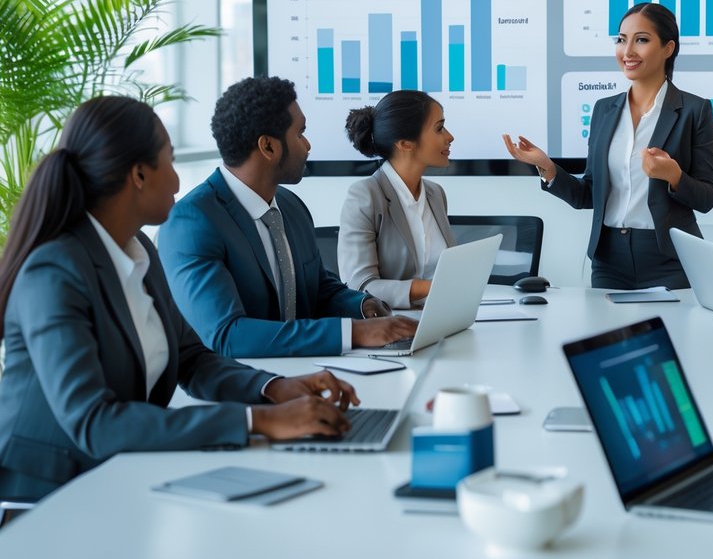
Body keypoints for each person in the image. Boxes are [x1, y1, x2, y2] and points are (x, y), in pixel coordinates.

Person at [0, 97, 364, 502]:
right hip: (45, 494)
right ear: (139, 174)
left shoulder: (138, 248)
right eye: (169, 162)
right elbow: (95, 422)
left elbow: (192, 358)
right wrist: (257, 421)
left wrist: (273, 388)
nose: (177, 182)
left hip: (121, 472)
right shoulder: (54, 273)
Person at [159, 77, 417, 357]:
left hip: (310, 373)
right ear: (268, 147)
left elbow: (318, 289)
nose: (308, 145)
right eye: (300, 133)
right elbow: (227, 336)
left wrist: (363, 306)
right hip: (246, 386)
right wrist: (354, 333)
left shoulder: (291, 206)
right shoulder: (193, 221)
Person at [503, 2, 713, 289]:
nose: (627, 51)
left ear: (668, 48)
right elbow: (588, 195)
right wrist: (547, 167)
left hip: (669, 260)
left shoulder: (694, 110)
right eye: (621, 39)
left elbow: (707, 199)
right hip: (609, 260)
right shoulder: (604, 110)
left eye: (641, 40)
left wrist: (673, 176)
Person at [339, 90, 456, 309]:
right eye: (439, 128)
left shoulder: (435, 194)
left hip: (440, 316)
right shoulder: (365, 195)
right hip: (390, 326)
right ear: (405, 144)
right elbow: (359, 286)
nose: (449, 137)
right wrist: (434, 287)